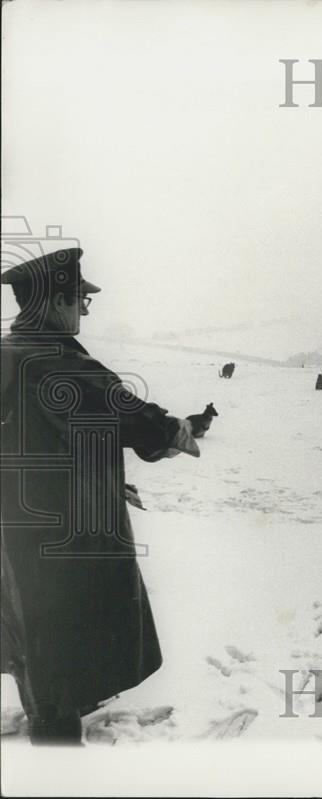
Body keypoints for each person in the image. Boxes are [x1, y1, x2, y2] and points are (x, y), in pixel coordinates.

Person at [0, 248, 200, 745]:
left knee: (30, 636)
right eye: (78, 300)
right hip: (58, 535)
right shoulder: (54, 359)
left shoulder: (8, 351)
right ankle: (56, 756)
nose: (84, 310)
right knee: (58, 645)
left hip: (17, 527)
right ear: (53, 303)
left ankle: (50, 719)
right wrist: (173, 431)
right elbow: (124, 412)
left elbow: (37, 432)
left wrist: (102, 479)